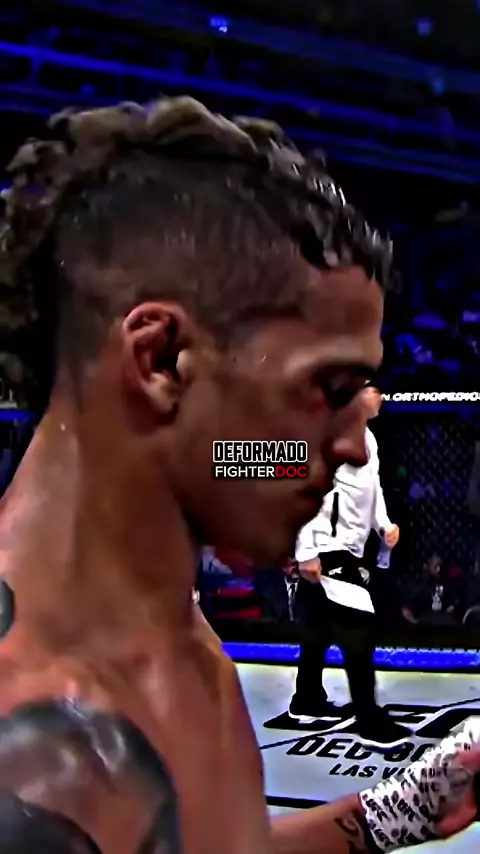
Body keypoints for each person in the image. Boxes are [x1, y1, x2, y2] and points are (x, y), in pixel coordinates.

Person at [0, 96, 478, 854]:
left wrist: (393, 814)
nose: (355, 448)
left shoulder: (176, 643)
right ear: (161, 361)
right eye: (328, 388)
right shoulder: (29, 756)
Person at [289, 387, 404, 748]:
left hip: (349, 546)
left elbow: (373, 488)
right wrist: (307, 549)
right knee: (359, 629)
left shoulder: (367, 438)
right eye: (374, 391)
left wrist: (383, 525)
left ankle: (306, 698)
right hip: (328, 545)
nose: (381, 398)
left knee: (317, 629)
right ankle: (369, 718)